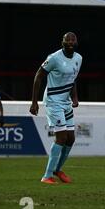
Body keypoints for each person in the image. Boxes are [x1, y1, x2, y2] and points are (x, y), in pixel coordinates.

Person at [30, 32, 82, 185]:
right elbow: (38, 76)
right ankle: (46, 176)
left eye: (73, 39)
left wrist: (74, 97)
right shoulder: (54, 58)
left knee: (71, 139)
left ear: (76, 42)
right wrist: (34, 102)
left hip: (65, 102)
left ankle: (57, 170)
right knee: (61, 137)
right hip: (53, 101)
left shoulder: (79, 58)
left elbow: (73, 79)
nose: (70, 42)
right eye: (68, 40)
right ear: (62, 42)